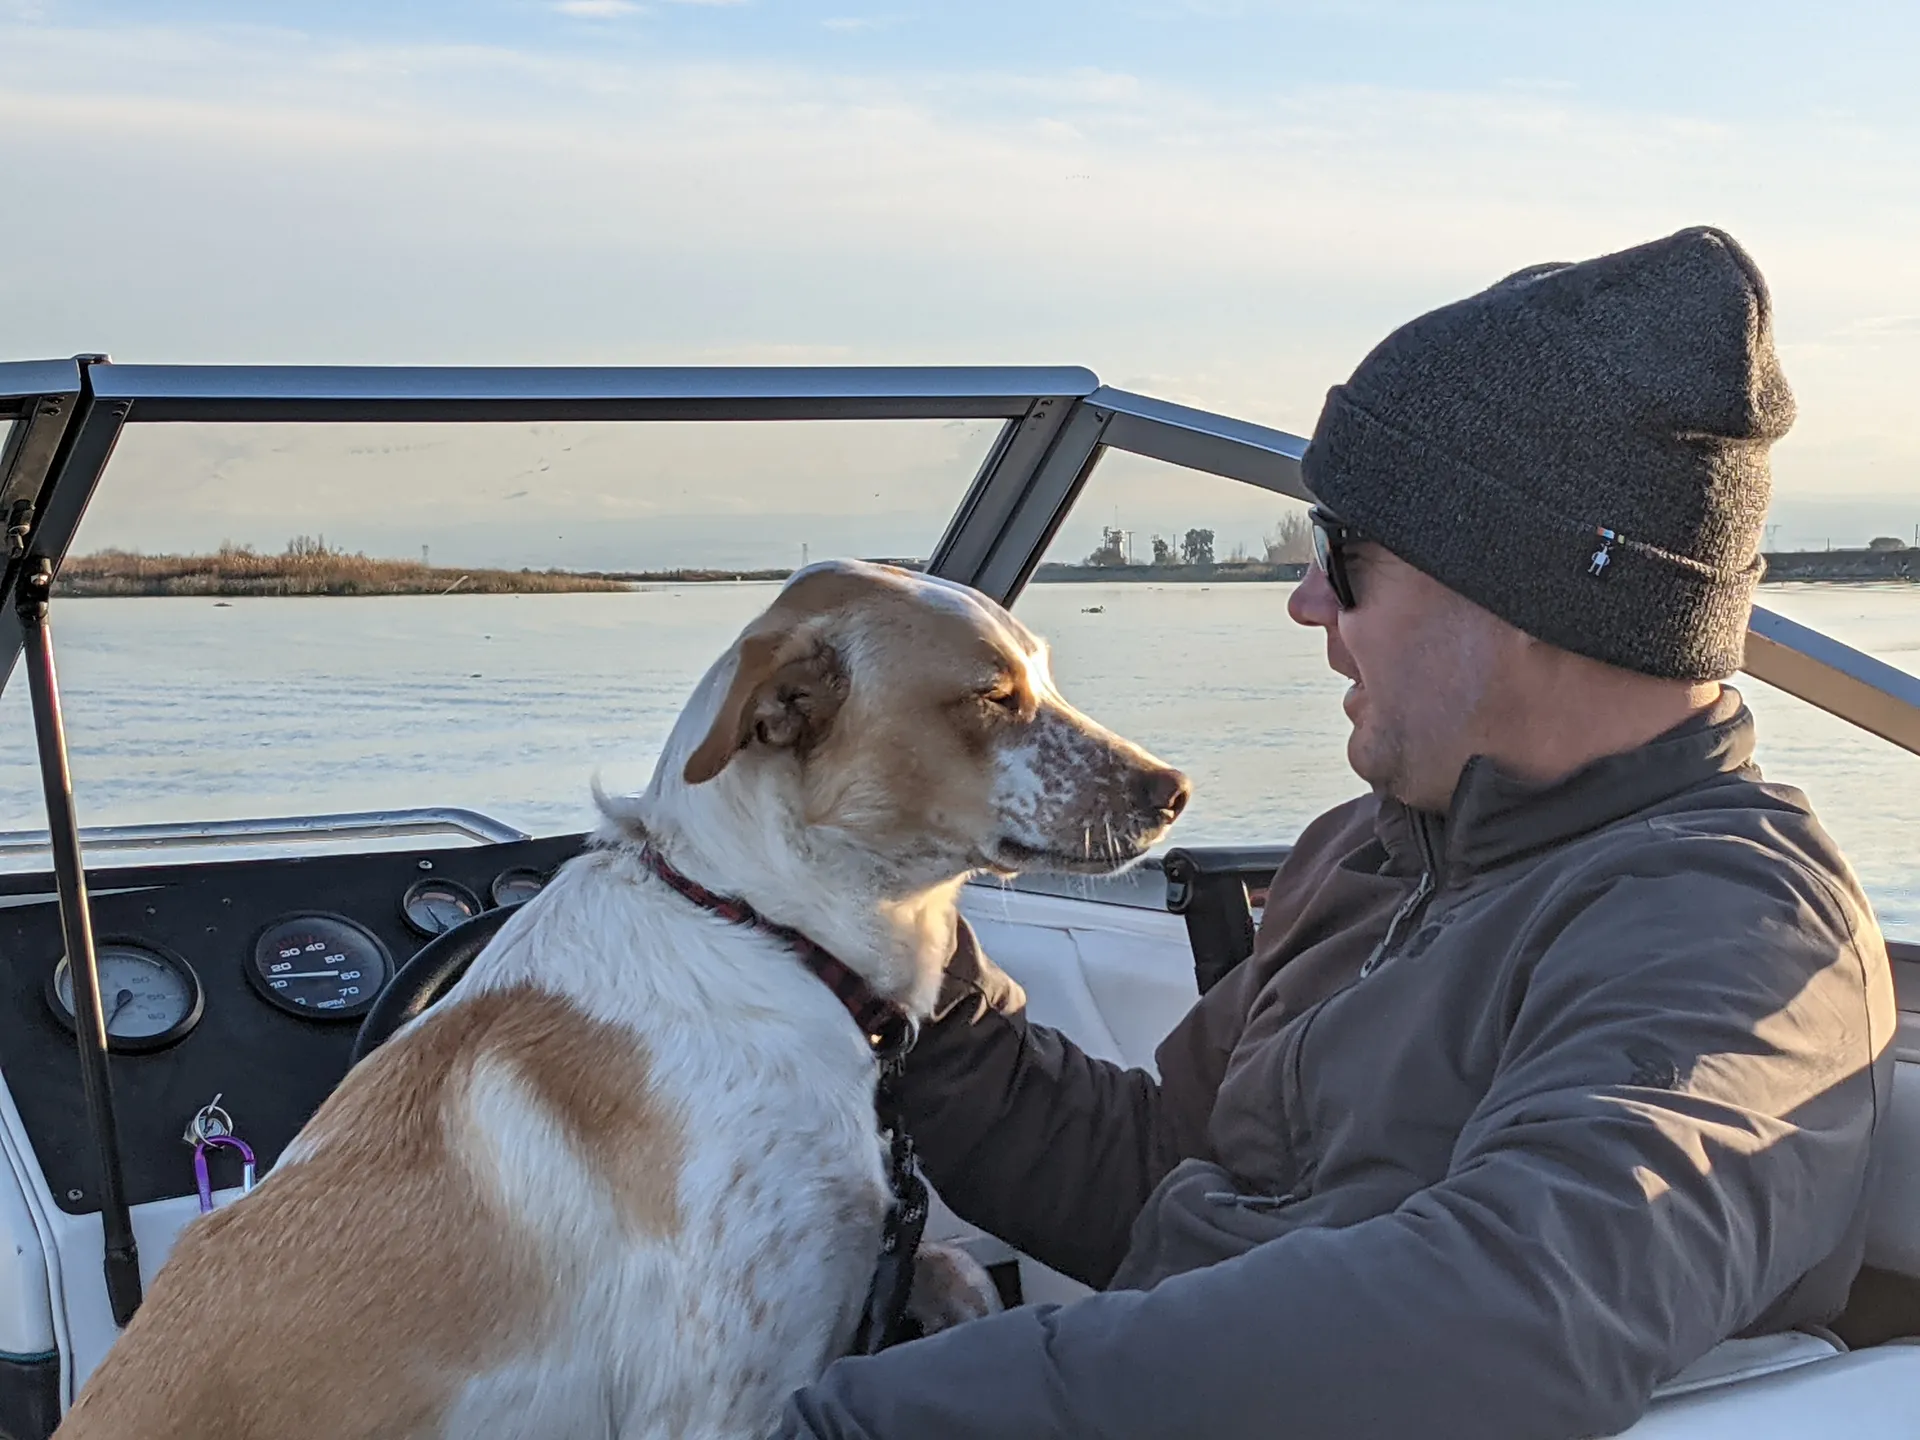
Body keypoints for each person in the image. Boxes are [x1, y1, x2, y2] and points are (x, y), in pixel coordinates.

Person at [769, 226, 1897, 1440]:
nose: (1307, 602)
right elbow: (1158, 1180)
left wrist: (868, 1421)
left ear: (1527, 595)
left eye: (1343, 556)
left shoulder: (1740, 939)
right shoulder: (1369, 854)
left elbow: (1507, 1316)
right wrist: (897, 969)